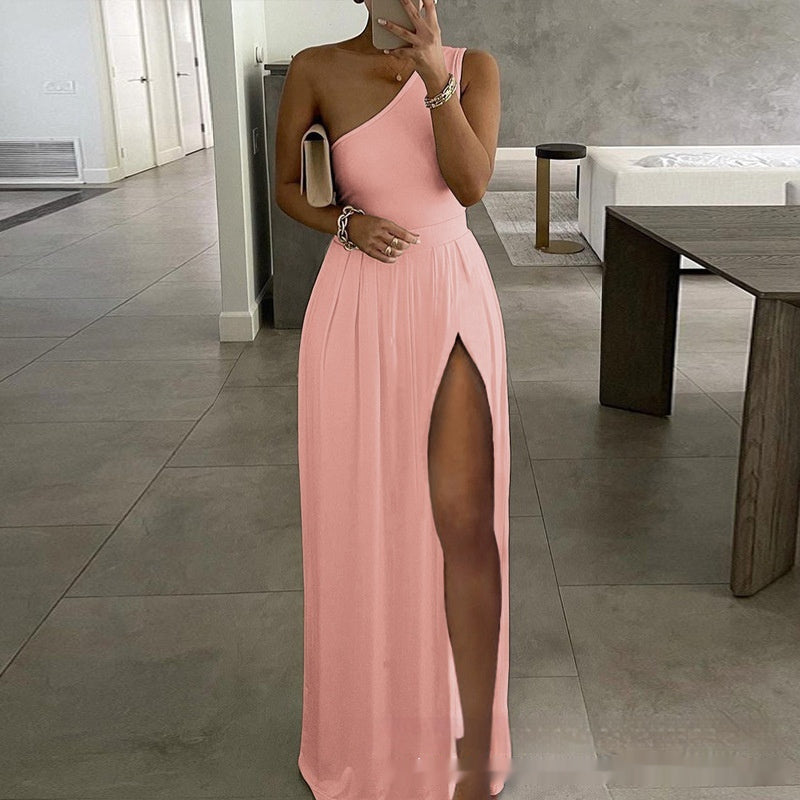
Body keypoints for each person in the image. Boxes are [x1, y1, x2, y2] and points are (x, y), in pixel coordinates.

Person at [275, 1, 510, 797]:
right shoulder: (315, 67)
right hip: (357, 301)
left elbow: (470, 185)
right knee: (358, 509)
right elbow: (287, 186)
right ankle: (365, 731)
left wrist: (435, 75)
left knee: (462, 517)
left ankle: (464, 741)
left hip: (451, 300)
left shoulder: (474, 67)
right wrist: (345, 222)